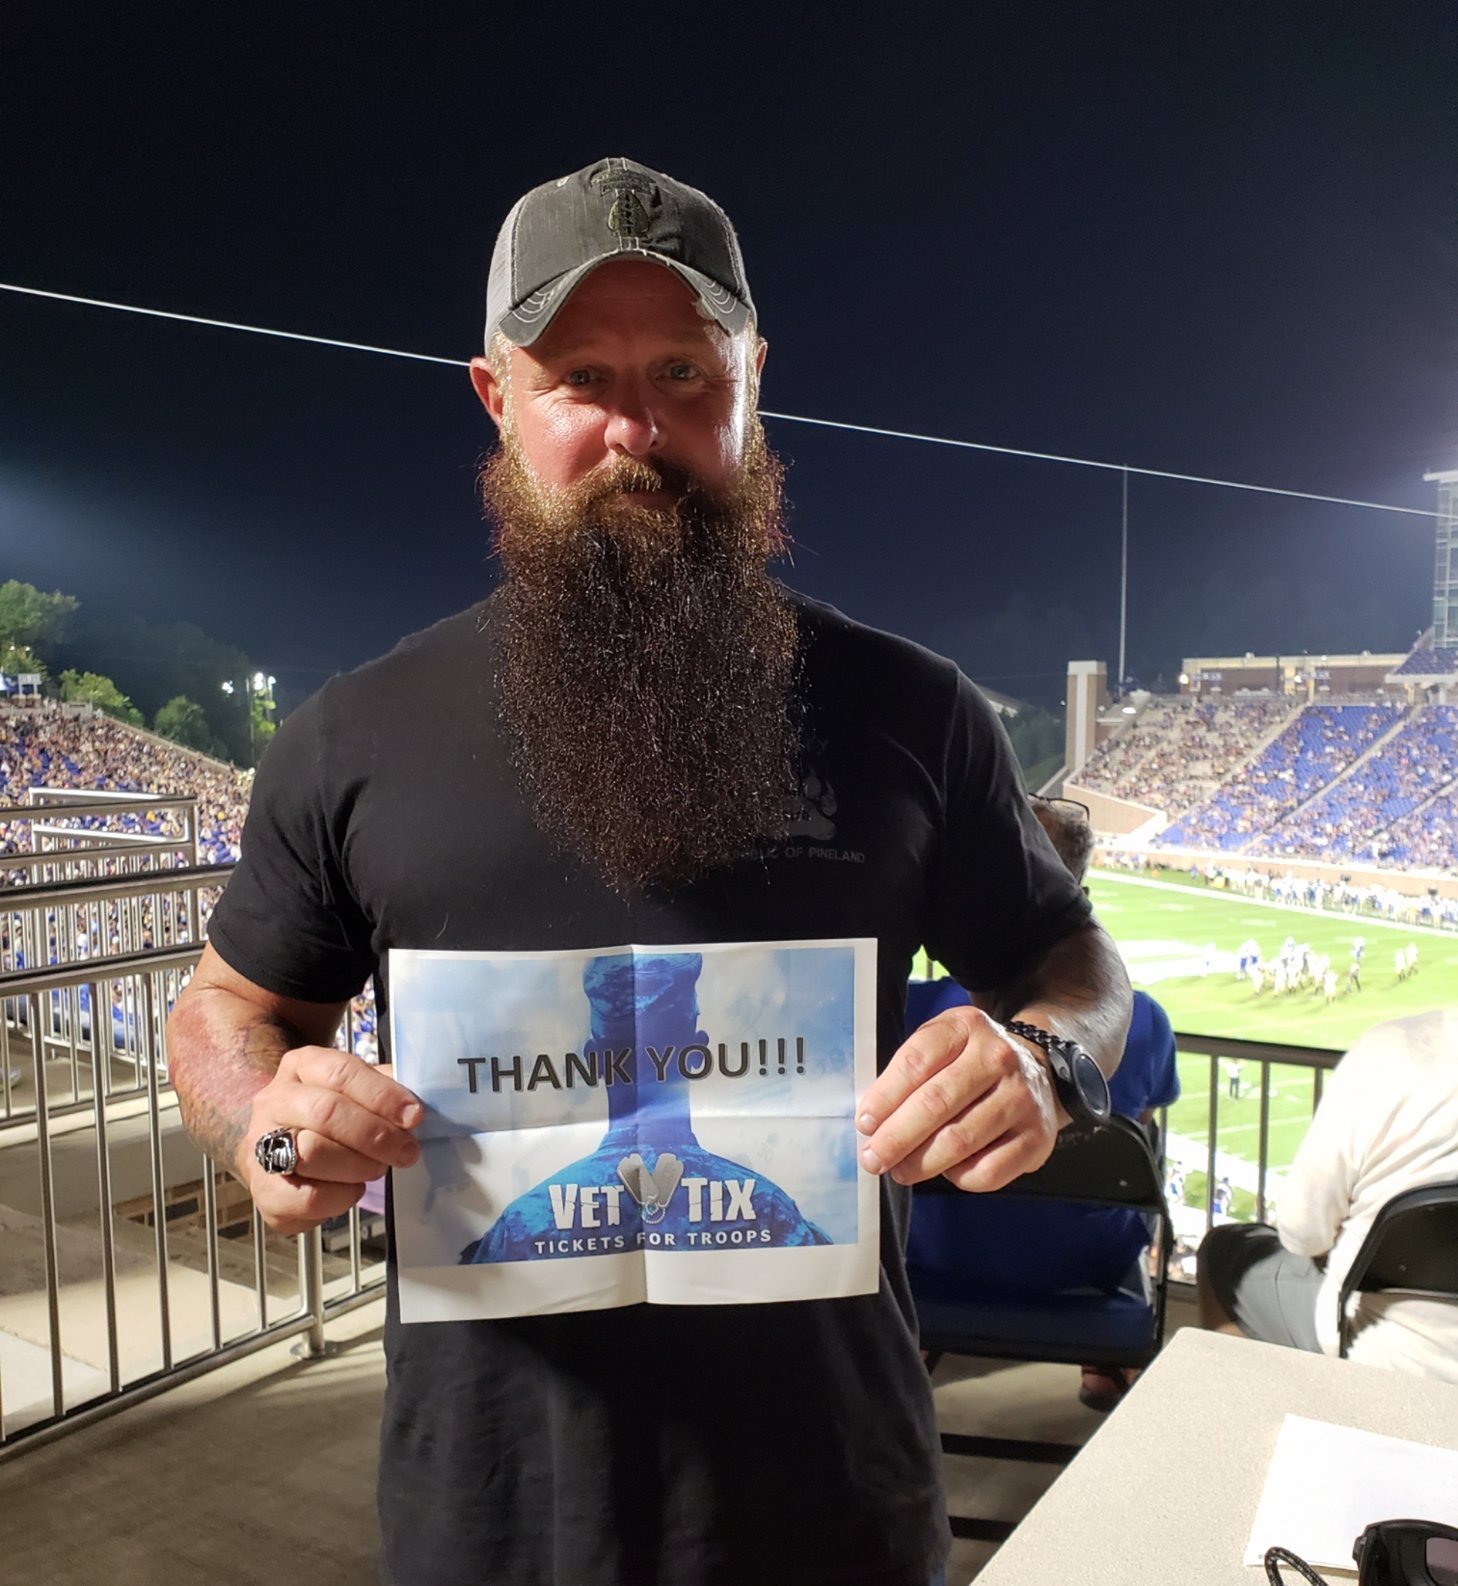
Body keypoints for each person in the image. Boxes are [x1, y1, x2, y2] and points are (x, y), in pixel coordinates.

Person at [164, 157, 1131, 1586]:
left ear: (753, 383)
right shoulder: (352, 737)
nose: (637, 428)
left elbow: (1072, 964)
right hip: (491, 1520)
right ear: (497, 399)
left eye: (684, 370)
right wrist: (266, 1121)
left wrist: (1048, 1061)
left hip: (834, 1511)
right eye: (581, 378)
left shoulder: (913, 713)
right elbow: (224, 1009)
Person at [904, 794, 1177, 1411]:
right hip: (1087, 1265)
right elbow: (1139, 1138)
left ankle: (914, 1347)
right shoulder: (1144, 1020)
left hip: (936, 1262)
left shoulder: (912, 1010)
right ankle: (1102, 1366)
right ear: (1078, 898)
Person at [1197, 1008, 1458, 1383]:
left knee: (1220, 1249)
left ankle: (1237, 1405)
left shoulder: (1391, 1049)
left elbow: (1303, 1233)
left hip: (1376, 1341)